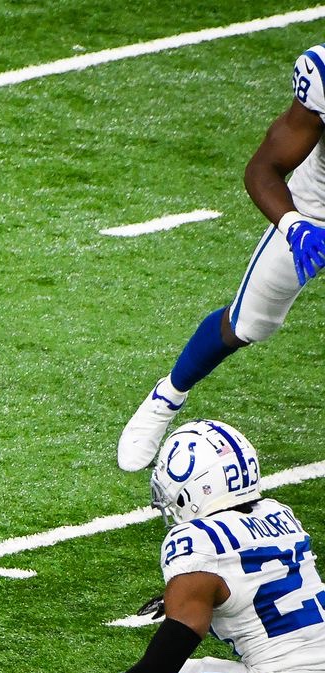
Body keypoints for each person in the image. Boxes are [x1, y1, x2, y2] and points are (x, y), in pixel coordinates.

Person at [36, 419, 325, 673]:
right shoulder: (278, 514)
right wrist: (184, 595)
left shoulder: (196, 542)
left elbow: (159, 668)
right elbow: (253, 576)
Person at [117, 44, 325, 472]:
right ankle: (167, 397)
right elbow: (263, 168)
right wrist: (294, 225)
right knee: (249, 322)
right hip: (317, 210)